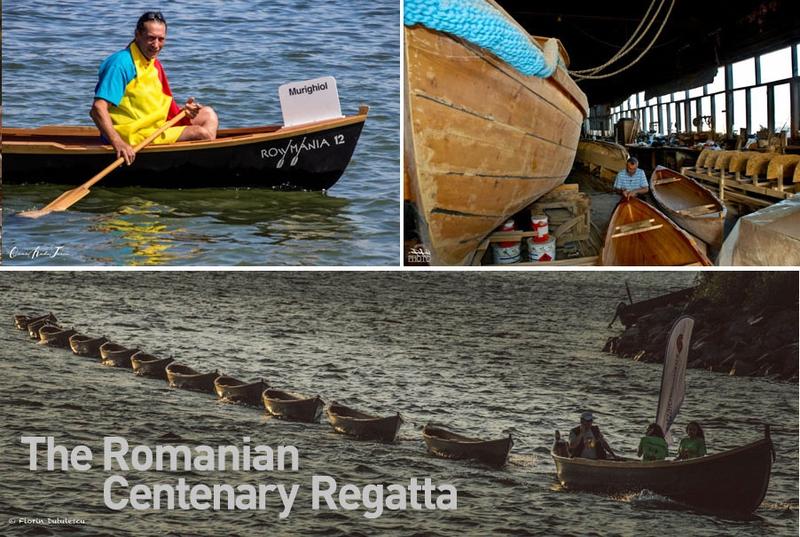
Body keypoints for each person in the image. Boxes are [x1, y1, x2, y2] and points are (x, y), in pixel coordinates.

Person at [90, 11, 219, 165]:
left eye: (161, 39)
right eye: (151, 38)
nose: (156, 45)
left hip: (155, 126)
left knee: (209, 114)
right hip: (132, 134)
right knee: (201, 133)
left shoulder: (151, 61)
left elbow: (152, 104)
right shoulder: (122, 64)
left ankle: (195, 161)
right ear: (137, 34)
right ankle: (201, 164)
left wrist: (184, 111)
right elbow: (98, 109)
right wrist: (118, 142)